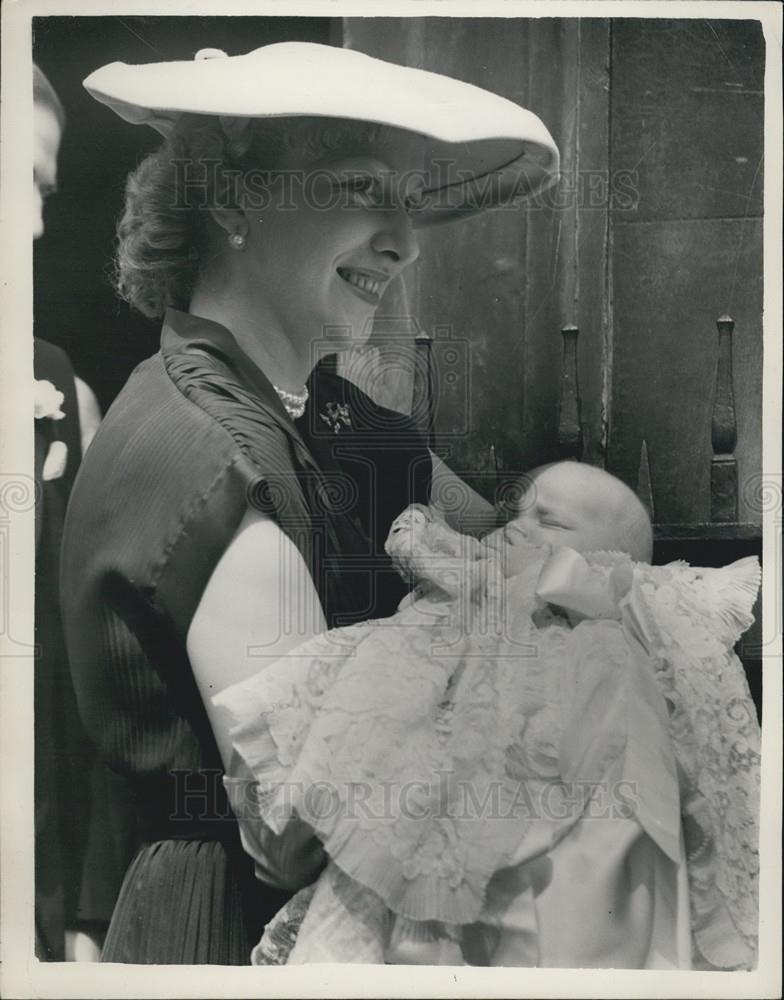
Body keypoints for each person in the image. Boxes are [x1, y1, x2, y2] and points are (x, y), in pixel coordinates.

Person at [60, 42, 560, 964]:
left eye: (409, 204)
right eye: (363, 187)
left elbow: (511, 555)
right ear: (233, 201)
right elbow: (296, 824)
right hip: (230, 938)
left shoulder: (325, 414)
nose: (405, 241)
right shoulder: (208, 454)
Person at [214, 461, 761, 969]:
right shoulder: (463, 605)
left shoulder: (612, 629)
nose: (514, 528)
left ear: (612, 559)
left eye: (547, 520)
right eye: (510, 516)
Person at [33, 64, 131, 963]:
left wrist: (84, 911)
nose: (32, 222)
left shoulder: (58, 388)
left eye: (42, 192)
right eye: (16, 185)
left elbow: (84, 670)